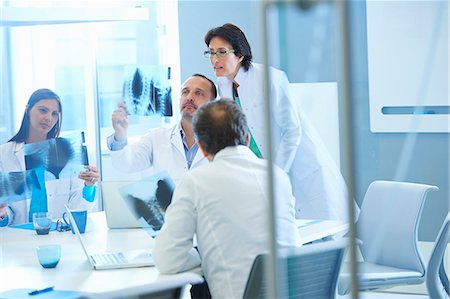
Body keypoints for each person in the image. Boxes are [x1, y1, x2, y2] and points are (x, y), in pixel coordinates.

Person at [204, 23, 354, 221]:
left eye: (222, 52)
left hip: (295, 168)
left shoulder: (269, 78)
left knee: (321, 230)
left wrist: (277, 173)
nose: (214, 60)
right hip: (260, 172)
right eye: (211, 53)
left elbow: (292, 130)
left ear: (240, 54)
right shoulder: (223, 86)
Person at [153, 99, 299, 299]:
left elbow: (168, 260)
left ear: (202, 149)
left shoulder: (196, 182)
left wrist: (206, 255)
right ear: (247, 139)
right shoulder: (278, 177)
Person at [0, 88, 99, 226]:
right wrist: (2, 214)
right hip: (20, 236)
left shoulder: (66, 152)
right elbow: (7, 212)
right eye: (43, 110)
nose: (49, 118)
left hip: (57, 234)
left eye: (55, 114)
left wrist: (89, 186)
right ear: (28, 110)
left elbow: (76, 208)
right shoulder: (5, 154)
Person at [108, 74, 217, 182]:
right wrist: (120, 134)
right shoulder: (156, 137)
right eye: (185, 92)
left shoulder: (225, 142)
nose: (189, 98)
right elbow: (125, 164)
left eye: (198, 93)